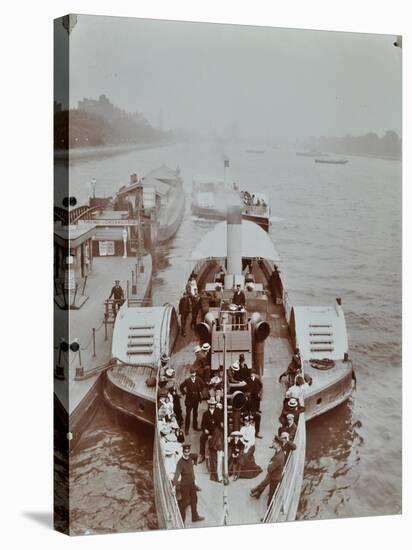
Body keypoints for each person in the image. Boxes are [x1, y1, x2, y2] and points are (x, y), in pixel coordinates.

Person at [173, 444, 204, 523]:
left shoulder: (191, 456)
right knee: (184, 503)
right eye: (185, 452)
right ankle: (182, 521)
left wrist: (195, 463)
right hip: (184, 486)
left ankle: (195, 517)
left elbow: (196, 455)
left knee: (194, 500)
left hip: (192, 484)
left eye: (188, 452)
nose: (187, 454)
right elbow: (176, 474)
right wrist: (174, 486)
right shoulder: (180, 463)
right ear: (183, 452)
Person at [250, 438, 285, 506]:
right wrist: (271, 463)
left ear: (278, 444)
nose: (272, 443)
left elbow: (269, 468)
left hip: (274, 478)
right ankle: (257, 492)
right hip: (273, 474)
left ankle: (268, 513)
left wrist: (270, 463)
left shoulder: (279, 457)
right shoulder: (278, 452)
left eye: (274, 442)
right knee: (264, 482)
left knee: (271, 496)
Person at [180, 369, 204, 434]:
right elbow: (181, 386)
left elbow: (203, 385)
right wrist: (184, 393)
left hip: (196, 400)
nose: (193, 374)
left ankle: (195, 427)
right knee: (188, 414)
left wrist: (200, 392)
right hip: (189, 400)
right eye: (191, 373)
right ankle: (186, 429)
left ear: (195, 373)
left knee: (195, 413)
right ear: (190, 374)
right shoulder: (187, 381)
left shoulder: (198, 379)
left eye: (194, 373)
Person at [199, 397, 223, 463]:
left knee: (221, 437)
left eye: (213, 404)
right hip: (208, 432)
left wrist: (221, 425)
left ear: (215, 405)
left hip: (216, 431)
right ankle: (202, 454)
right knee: (202, 438)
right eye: (210, 404)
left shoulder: (218, 412)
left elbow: (221, 422)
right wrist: (205, 430)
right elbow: (202, 425)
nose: (212, 406)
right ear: (209, 404)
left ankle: (221, 453)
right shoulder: (205, 414)